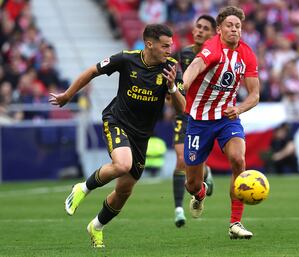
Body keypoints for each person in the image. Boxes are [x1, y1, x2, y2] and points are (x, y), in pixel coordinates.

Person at [49, 24, 185, 248]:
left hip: (142, 135)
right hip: (117, 121)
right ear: (149, 44)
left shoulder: (171, 68)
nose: (170, 50)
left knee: (123, 191)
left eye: (171, 45)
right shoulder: (126, 59)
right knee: (122, 164)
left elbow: (182, 108)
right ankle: (82, 188)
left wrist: (172, 88)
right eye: (165, 46)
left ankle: (97, 226)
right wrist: (68, 95)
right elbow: (92, 71)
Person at [182, 6, 260, 239]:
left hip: (227, 118)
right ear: (219, 29)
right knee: (192, 184)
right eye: (229, 25)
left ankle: (235, 223)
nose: (234, 29)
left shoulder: (247, 54)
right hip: (199, 120)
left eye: (238, 26)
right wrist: (183, 85)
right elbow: (195, 66)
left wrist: (239, 108)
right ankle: (201, 193)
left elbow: (255, 94)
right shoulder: (212, 47)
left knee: (238, 159)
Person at [171, 14, 216, 228]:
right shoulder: (183, 54)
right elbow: (176, 82)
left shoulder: (217, 56)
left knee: (194, 165)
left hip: (205, 115)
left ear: (213, 34)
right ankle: (179, 209)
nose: (199, 31)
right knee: (181, 158)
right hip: (184, 113)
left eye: (205, 28)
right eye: (197, 27)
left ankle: (205, 174)